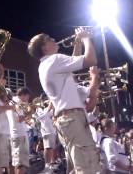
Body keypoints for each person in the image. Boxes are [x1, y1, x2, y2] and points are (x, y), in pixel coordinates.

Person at [28, 28, 102, 173]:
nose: (54, 40)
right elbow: (91, 59)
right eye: (50, 39)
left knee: (75, 168)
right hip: (72, 119)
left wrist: (78, 43)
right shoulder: (55, 59)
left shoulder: (45, 65)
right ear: (44, 47)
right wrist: (86, 38)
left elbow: (71, 65)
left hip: (66, 121)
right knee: (87, 167)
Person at [6, 87, 31, 174]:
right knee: (21, 163)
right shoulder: (17, 103)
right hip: (19, 134)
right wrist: (29, 113)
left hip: (13, 134)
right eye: (27, 97)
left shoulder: (11, 102)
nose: (28, 99)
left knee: (14, 162)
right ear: (23, 95)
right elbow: (19, 119)